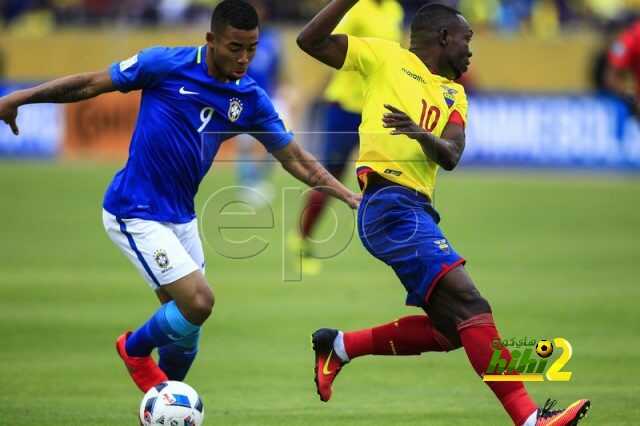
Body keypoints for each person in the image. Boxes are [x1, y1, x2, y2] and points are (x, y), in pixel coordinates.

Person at [0, 0, 359, 393]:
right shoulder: (164, 65)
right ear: (211, 40)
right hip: (134, 209)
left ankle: (163, 410)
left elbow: (296, 159)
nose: (244, 59)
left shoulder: (250, 99)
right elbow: (89, 83)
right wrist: (20, 98)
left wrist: (347, 195)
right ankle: (133, 349)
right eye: (235, 48)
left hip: (181, 218)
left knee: (186, 333)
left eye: (251, 49)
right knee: (199, 303)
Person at [297, 2, 590, 425]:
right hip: (387, 204)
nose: (471, 51)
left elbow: (451, 154)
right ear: (443, 37)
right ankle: (530, 420)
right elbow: (309, 41)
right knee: (471, 303)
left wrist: (418, 133)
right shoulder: (385, 57)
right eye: (467, 40)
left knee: (452, 330)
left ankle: (339, 346)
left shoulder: (454, 93)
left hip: (417, 209)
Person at [290, 0, 404, 274]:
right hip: (345, 107)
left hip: (376, 109)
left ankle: (396, 245)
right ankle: (301, 240)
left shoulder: (393, 9)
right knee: (330, 177)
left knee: (389, 174)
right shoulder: (356, 8)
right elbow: (327, 43)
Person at [606, 18, 640, 116]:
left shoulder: (629, 38)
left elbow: (611, 75)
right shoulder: (630, 38)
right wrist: (630, 99)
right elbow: (612, 75)